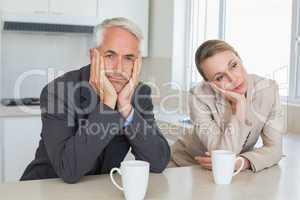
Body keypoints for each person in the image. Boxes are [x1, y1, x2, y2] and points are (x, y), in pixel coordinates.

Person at [20, 17, 170, 183]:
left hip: (98, 190)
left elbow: (158, 162)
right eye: (110, 55)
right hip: (44, 187)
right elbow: (69, 169)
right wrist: (108, 103)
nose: (119, 68)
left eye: (128, 58)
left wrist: (126, 109)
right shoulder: (57, 92)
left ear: (138, 63)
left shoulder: (139, 93)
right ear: (93, 56)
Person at [169, 40, 283, 172]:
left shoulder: (268, 90)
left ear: (239, 59)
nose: (233, 79)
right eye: (219, 77)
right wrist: (238, 108)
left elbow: (275, 150)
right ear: (209, 84)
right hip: (183, 166)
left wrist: (243, 161)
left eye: (233, 65)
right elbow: (222, 157)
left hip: (228, 171)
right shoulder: (198, 96)